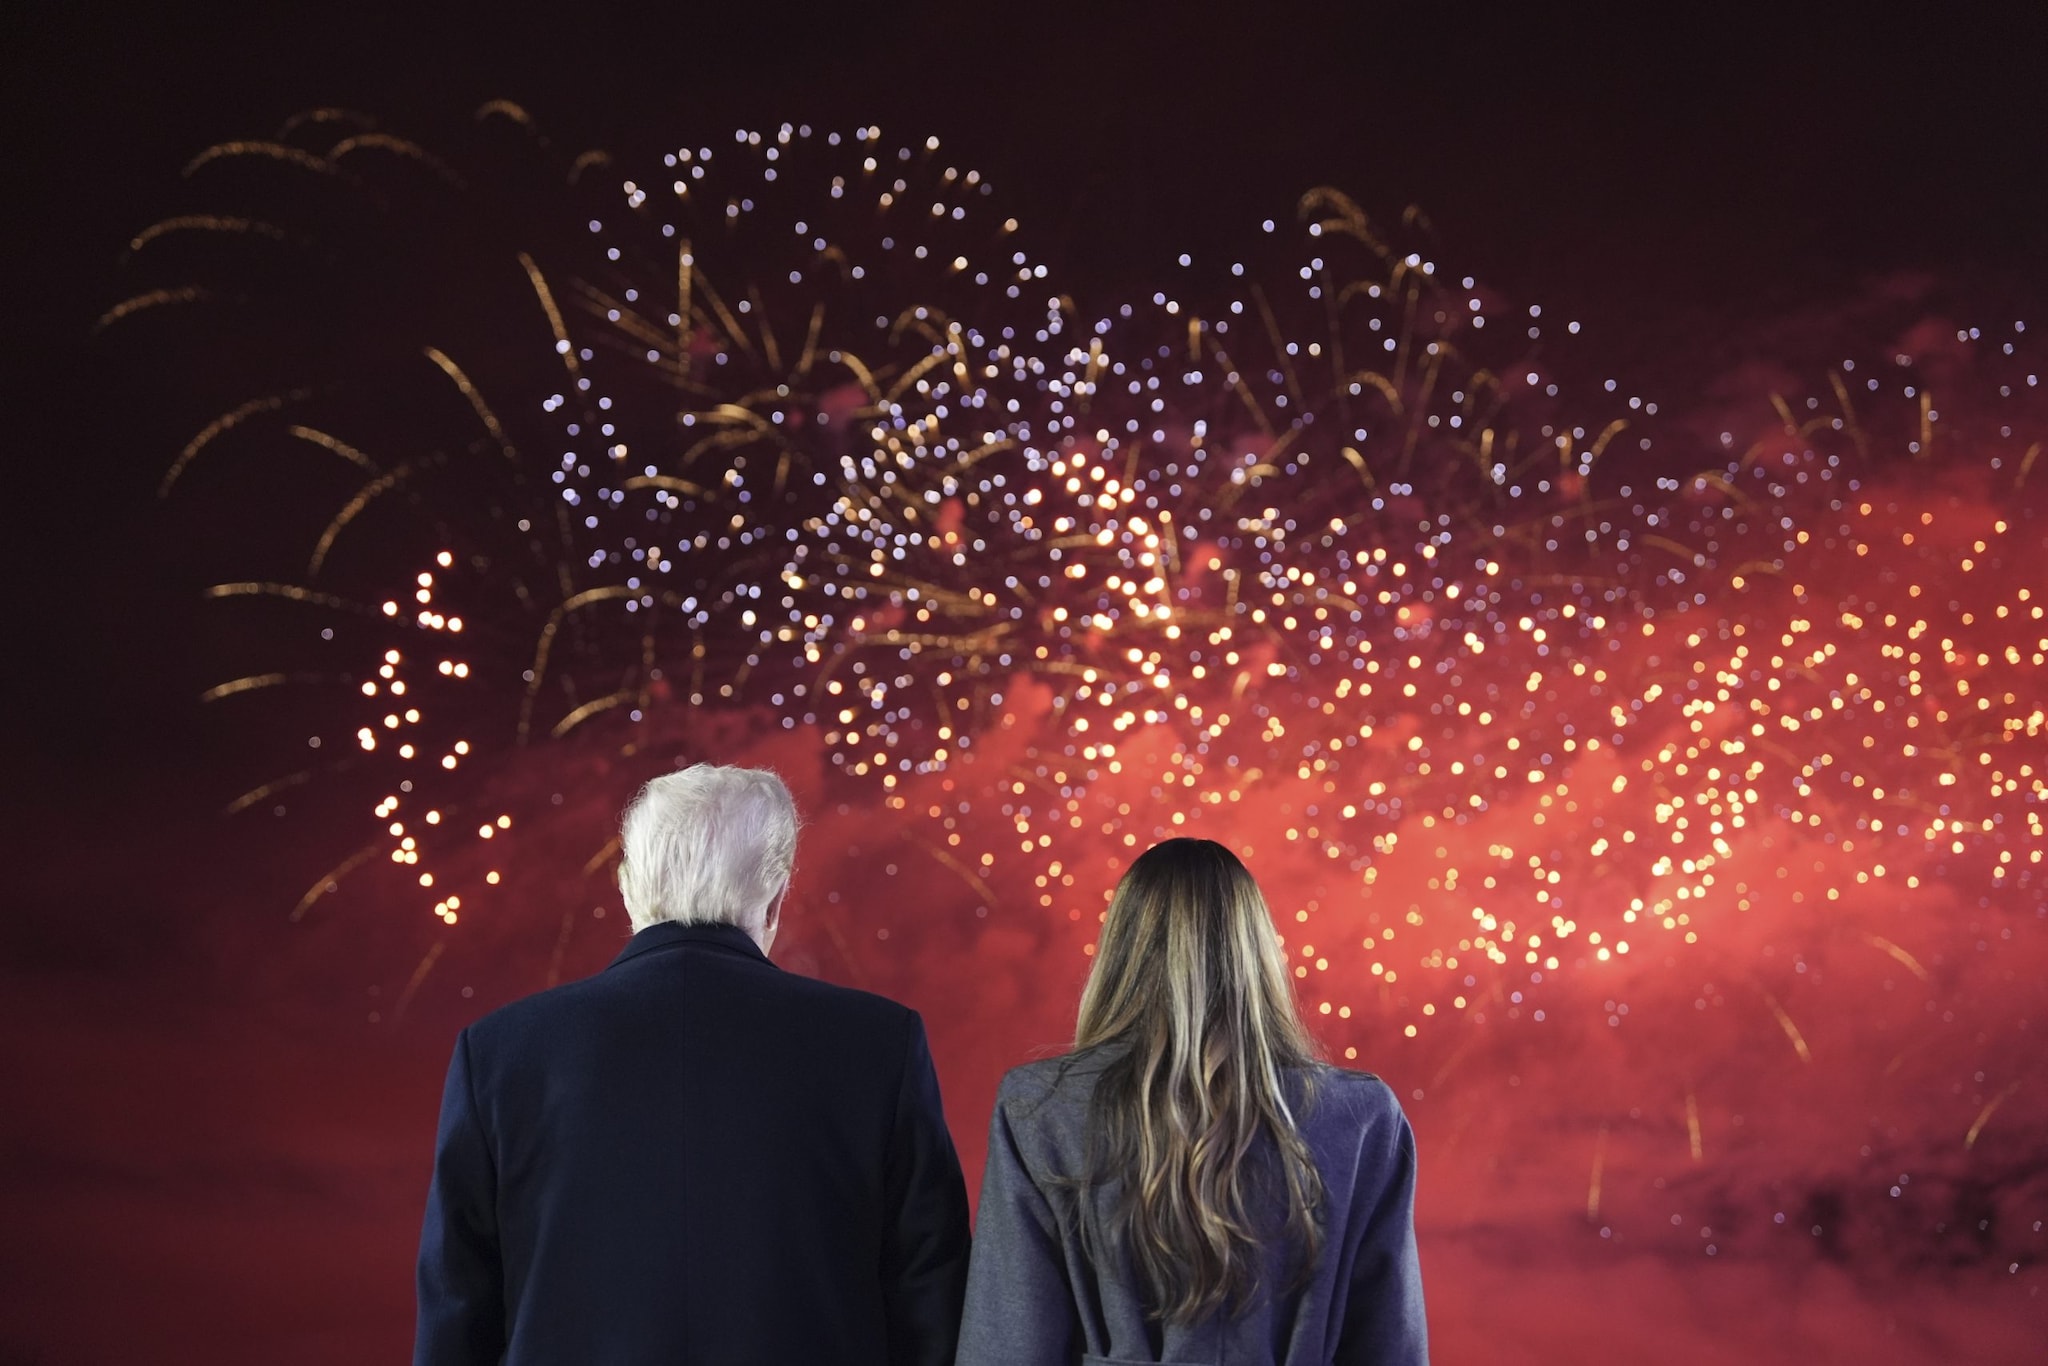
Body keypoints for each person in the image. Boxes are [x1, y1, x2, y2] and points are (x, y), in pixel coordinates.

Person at [414, 764, 972, 1365]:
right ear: (777, 896)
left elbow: (457, 1315)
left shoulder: (498, 1053)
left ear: (627, 887)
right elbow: (933, 1307)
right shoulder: (880, 1044)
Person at [956, 838, 1427, 1365]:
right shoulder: (1362, 1117)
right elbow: (1390, 1348)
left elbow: (1007, 1344)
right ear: (1258, 952)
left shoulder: (1040, 1107)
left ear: (1121, 950)